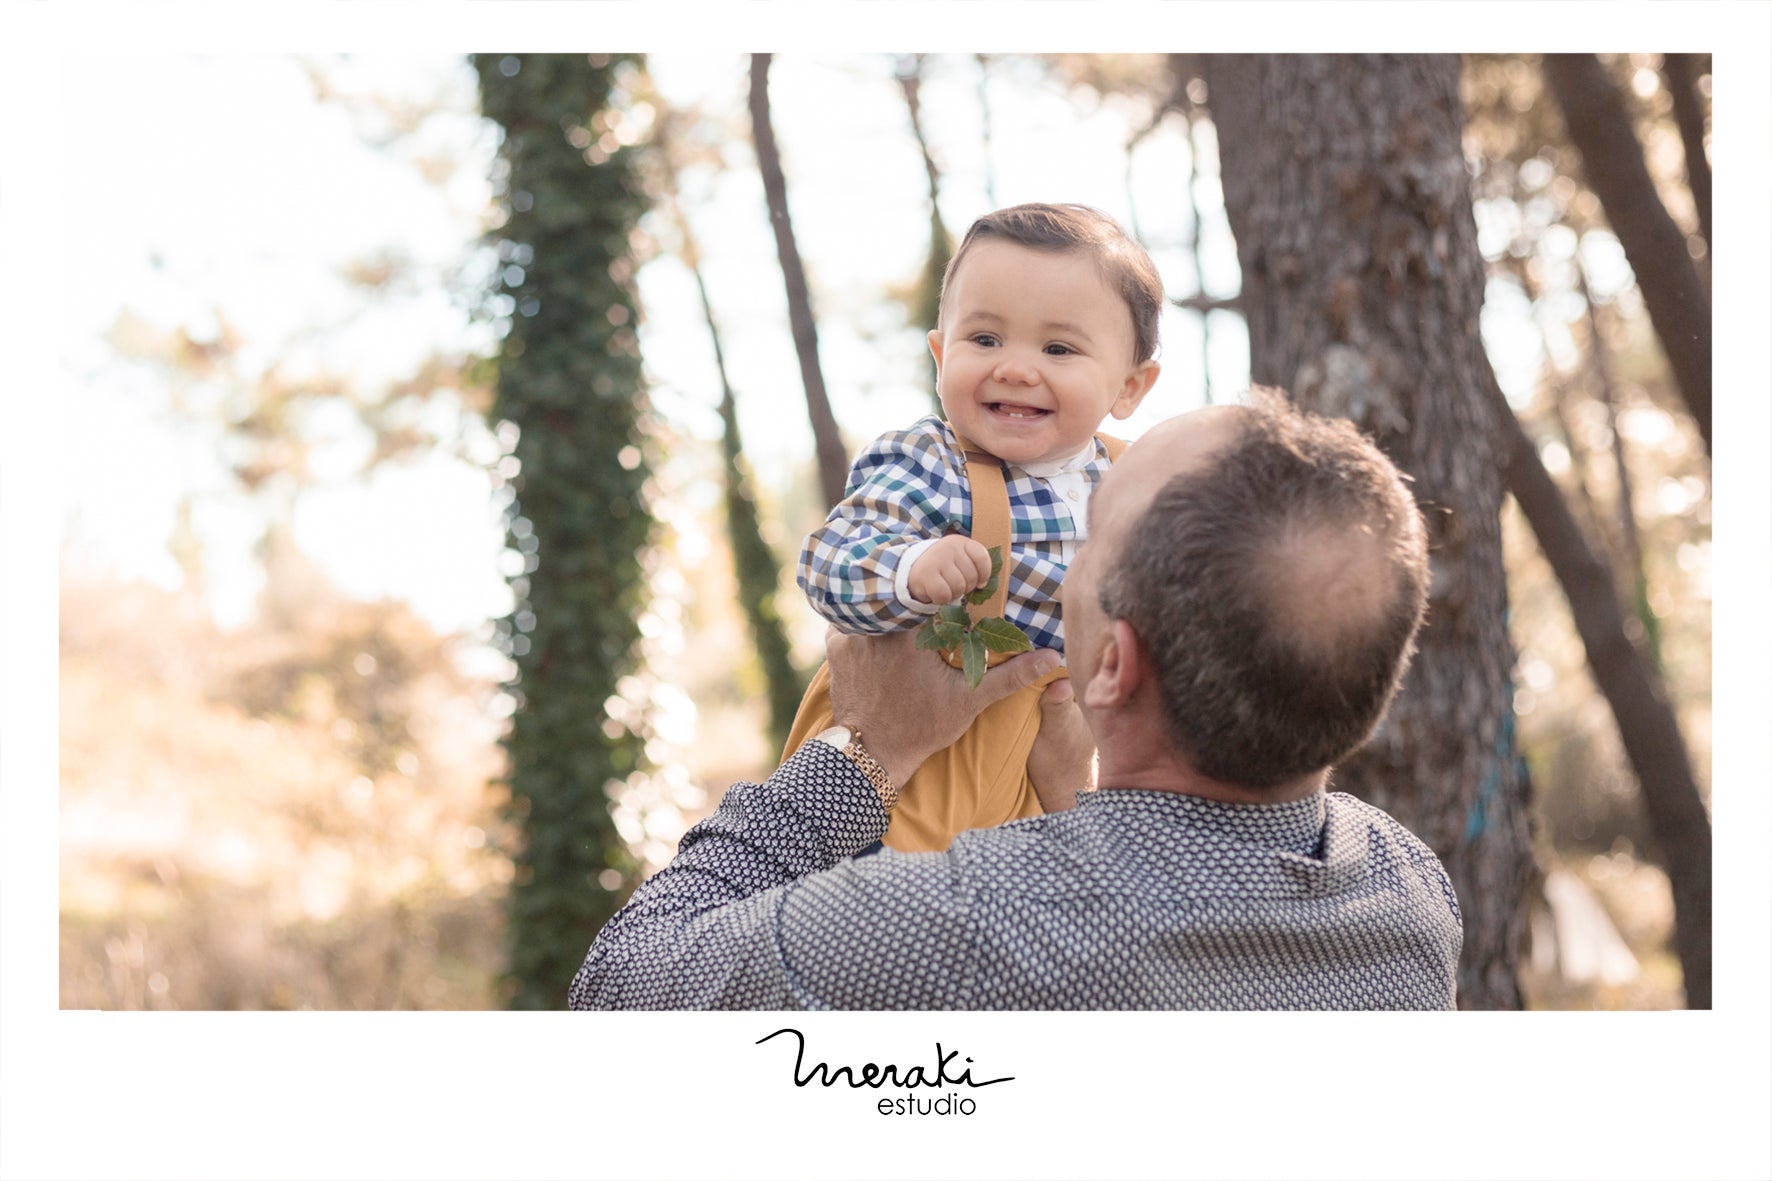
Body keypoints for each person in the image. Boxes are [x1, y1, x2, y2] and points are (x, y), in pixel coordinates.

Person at [569, 394, 1463, 1011]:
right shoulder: (1411, 896)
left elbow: (623, 996)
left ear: (1113, 663)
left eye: (1092, 525)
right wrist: (1072, 792)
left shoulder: (962, 921)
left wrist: (867, 752)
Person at [786, 203, 1164, 853]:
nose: (1014, 367)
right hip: (916, 760)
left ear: (1129, 385)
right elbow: (829, 558)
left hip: (1046, 765)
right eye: (984, 339)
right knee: (882, 921)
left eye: (1058, 347)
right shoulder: (930, 461)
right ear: (940, 353)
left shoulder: (1137, 485)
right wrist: (910, 567)